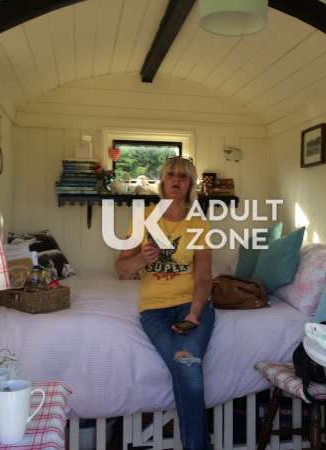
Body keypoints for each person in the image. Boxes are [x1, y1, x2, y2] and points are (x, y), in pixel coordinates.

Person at [116, 156, 214, 450]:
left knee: (187, 365)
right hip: (154, 309)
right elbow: (121, 270)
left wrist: (195, 313)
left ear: (189, 185)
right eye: (171, 174)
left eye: (183, 176)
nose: (176, 180)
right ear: (162, 181)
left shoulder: (198, 223)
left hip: (191, 304)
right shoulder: (144, 217)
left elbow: (204, 277)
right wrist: (141, 259)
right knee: (186, 367)